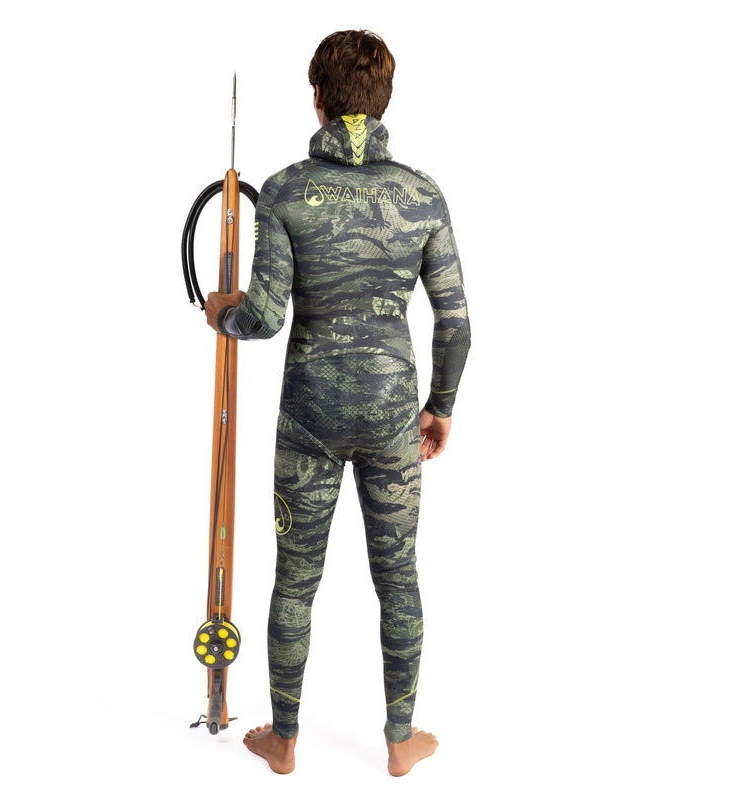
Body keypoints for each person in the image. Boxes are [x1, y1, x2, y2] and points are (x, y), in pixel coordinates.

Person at [204, 29, 471, 777]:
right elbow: (456, 322)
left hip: (310, 415)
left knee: (295, 581)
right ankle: (399, 742)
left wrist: (221, 312)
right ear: (384, 100)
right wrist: (440, 406)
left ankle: (284, 741)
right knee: (399, 578)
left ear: (317, 98)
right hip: (393, 413)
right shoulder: (422, 195)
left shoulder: (286, 191)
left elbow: (262, 318)